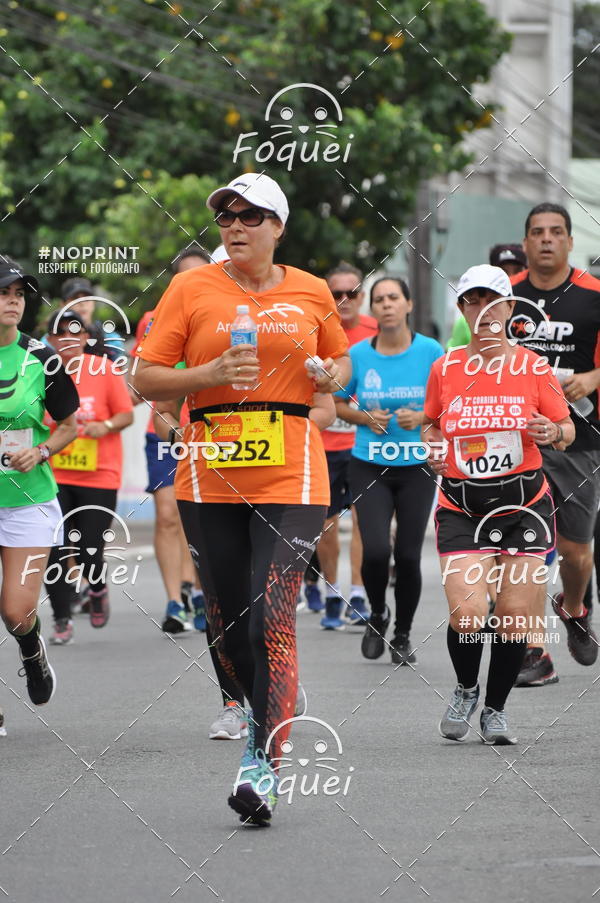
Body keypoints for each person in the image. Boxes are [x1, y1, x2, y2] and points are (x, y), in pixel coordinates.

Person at [134, 173, 350, 825]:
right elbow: (144, 377)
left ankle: (262, 764)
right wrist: (208, 375)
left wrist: (328, 376)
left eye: (251, 215)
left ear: (278, 226)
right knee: (227, 628)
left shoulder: (312, 292)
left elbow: (335, 382)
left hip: (293, 473)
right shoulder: (189, 288)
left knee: (270, 619)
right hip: (210, 471)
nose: (235, 225)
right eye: (226, 215)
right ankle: (261, 700)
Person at [423, 264, 574, 744]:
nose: (483, 311)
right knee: (467, 615)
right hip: (462, 508)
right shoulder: (445, 367)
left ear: (510, 308)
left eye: (493, 301)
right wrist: (432, 447)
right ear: (464, 309)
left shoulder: (533, 367)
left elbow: (567, 429)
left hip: (524, 508)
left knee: (512, 616)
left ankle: (495, 709)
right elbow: (430, 423)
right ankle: (467, 687)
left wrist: (552, 432)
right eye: (472, 301)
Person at [508, 203, 600, 686]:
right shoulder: (507, 299)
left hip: (578, 439)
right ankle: (532, 650)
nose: (546, 239)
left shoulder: (593, 296)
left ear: (568, 241)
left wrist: (593, 376)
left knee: (574, 550)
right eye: (537, 232)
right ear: (525, 243)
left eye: (556, 232)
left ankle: (576, 605)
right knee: (527, 545)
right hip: (515, 439)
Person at [335, 276, 443, 663]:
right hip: (369, 465)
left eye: (394, 298)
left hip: (417, 467)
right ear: (373, 308)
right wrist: (363, 416)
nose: (386, 305)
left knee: (410, 556)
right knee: (377, 550)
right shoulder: (359, 354)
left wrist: (425, 416)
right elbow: (334, 403)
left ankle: (403, 634)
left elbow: (448, 405)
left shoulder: (431, 351)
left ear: (408, 305)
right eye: (379, 299)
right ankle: (377, 614)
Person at [0, 257, 78, 711]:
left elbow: (69, 424)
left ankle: (32, 652)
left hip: (27, 498)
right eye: (4, 293)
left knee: (16, 610)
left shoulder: (41, 357)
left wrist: (43, 449)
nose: (13, 302)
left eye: (19, 295)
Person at [134, 244, 212, 635]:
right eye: (183, 276)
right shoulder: (154, 319)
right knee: (167, 515)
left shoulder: (226, 318)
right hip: (165, 431)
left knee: (196, 520)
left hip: (212, 436)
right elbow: (141, 379)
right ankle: (172, 602)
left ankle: (197, 592)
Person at [44, 310, 133, 641]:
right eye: (60, 334)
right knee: (55, 547)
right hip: (53, 474)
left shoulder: (105, 370)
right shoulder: (43, 372)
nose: (68, 340)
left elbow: (125, 415)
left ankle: (96, 587)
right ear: (50, 340)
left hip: (99, 475)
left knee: (88, 550)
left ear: (86, 338)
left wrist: (104, 425)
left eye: (75, 333)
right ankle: (61, 618)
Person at [315, 261, 377, 629]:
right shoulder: (316, 330)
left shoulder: (375, 332)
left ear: (362, 297)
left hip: (363, 442)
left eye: (351, 293)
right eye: (335, 294)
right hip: (324, 441)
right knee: (326, 523)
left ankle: (358, 592)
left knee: (364, 523)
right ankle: (332, 592)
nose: (343, 300)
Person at [447, 243, 527, 350]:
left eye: (518, 271)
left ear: (510, 307)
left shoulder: (533, 307)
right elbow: (452, 355)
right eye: (503, 271)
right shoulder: (465, 320)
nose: (511, 278)